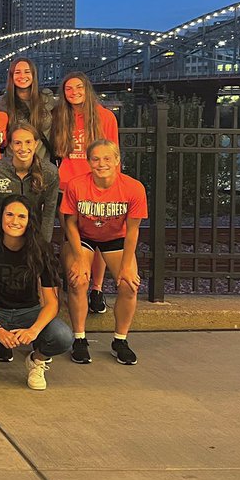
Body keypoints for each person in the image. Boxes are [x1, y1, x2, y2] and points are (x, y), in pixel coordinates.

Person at [0, 196, 74, 391]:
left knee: (63, 336)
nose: (15, 221)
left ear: (30, 220)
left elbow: (51, 303)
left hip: (28, 311)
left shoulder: (41, 249)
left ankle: (37, 361)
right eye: (9, 214)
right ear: (1, 217)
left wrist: (34, 330)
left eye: (22, 216)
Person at [60, 140, 147, 366]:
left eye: (107, 158)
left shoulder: (133, 187)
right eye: (96, 159)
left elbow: (133, 230)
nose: (101, 164)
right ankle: (79, 338)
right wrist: (79, 258)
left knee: (129, 284)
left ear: (117, 160)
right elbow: (69, 223)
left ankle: (120, 340)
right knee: (78, 280)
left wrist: (127, 265)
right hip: (84, 236)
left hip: (115, 237)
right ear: (88, 162)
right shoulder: (76, 185)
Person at [52, 71, 121, 316]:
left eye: (78, 87)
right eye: (69, 89)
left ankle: (97, 288)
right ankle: (74, 284)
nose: (74, 93)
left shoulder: (105, 117)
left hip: (97, 187)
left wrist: (113, 185)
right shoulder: (59, 116)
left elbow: (114, 156)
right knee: (72, 240)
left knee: (99, 240)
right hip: (68, 187)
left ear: (87, 88)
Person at [0, 121, 60, 245]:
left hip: (35, 235)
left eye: (28, 142)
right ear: (10, 146)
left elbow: (49, 213)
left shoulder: (50, 172)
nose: (23, 148)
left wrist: (43, 245)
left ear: (36, 144)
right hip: (4, 235)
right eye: (17, 143)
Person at [0, 58, 55, 161]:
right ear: (11, 76)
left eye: (27, 72)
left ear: (33, 75)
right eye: (17, 72)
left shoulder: (47, 99)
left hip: (43, 166)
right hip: (13, 167)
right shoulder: (1, 103)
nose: (22, 76)